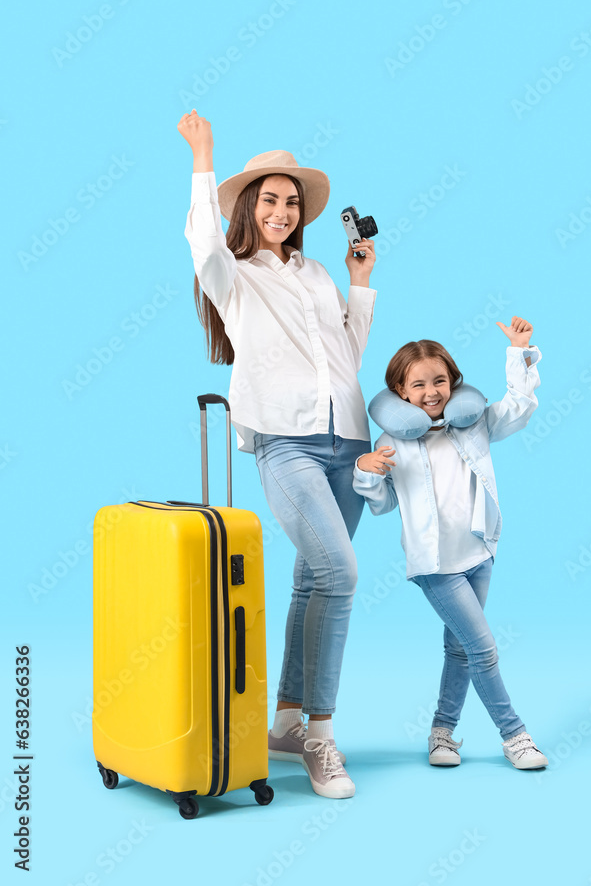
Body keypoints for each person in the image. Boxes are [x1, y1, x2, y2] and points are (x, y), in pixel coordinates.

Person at [178, 110, 377, 798]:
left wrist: (358, 282)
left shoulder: (318, 273)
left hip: (347, 440)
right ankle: (321, 736)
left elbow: (347, 358)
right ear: (248, 205)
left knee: (312, 582)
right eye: (269, 199)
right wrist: (205, 155)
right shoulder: (233, 274)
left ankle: (286, 723)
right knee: (341, 574)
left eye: (291, 202)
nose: (282, 211)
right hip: (283, 440)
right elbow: (202, 241)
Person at [352, 316, 549, 770]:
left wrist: (518, 352)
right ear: (401, 392)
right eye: (418, 384)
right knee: (482, 648)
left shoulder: (473, 424)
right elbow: (381, 505)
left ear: (453, 382)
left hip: (479, 552)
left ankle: (442, 734)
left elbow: (519, 407)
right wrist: (366, 470)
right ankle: (515, 736)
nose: (431, 392)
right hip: (435, 565)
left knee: (459, 648)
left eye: (440, 380)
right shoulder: (390, 443)